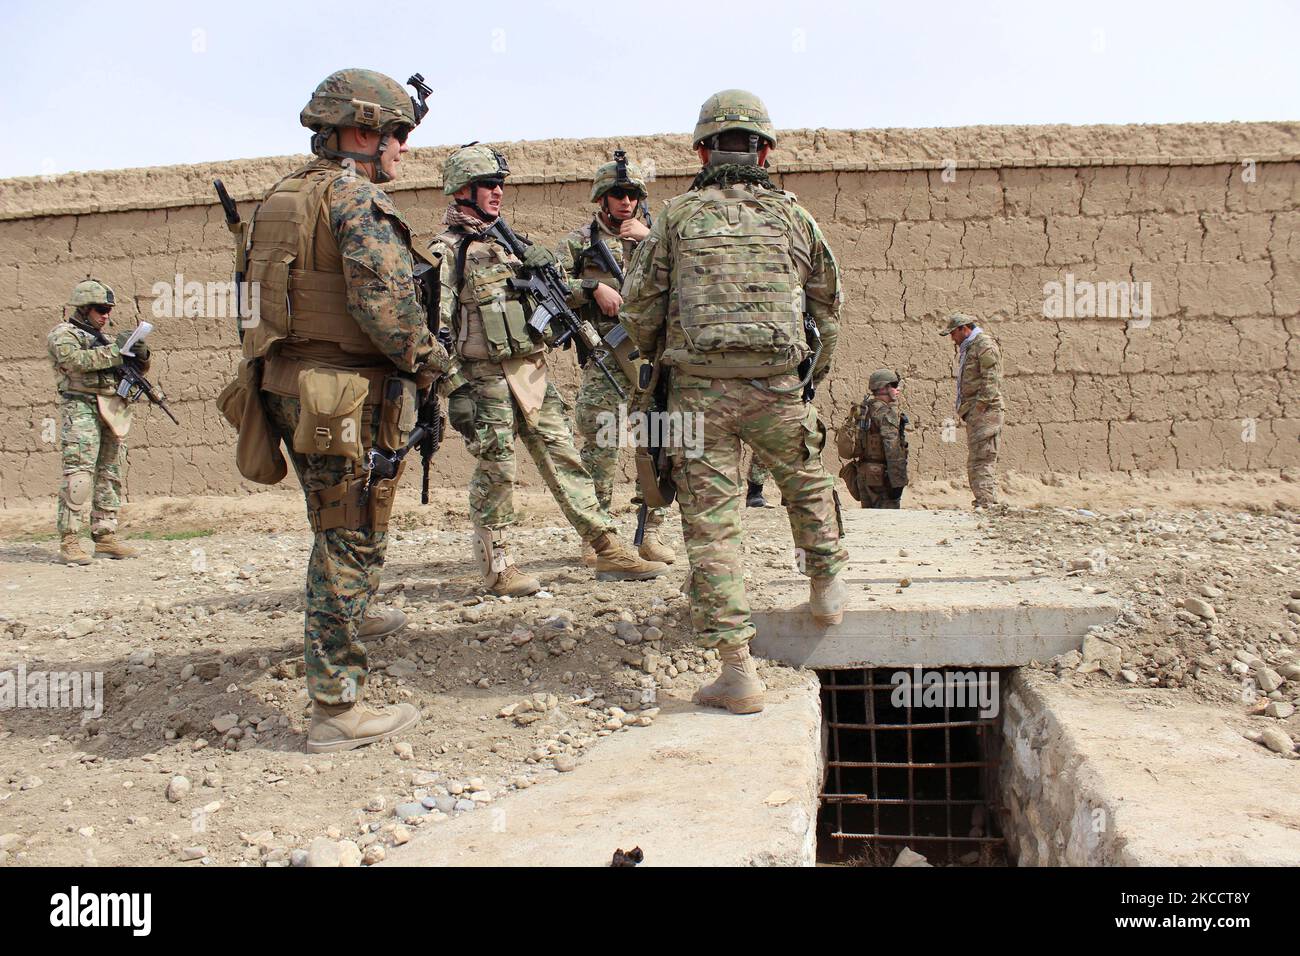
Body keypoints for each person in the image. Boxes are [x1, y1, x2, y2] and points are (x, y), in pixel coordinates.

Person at [235, 69, 456, 752]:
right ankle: (336, 707)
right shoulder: (354, 200)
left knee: (331, 525)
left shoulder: (281, 196)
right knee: (351, 535)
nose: (403, 150)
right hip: (340, 395)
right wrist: (435, 364)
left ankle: (349, 613)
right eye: (397, 135)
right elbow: (385, 310)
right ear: (361, 131)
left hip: (284, 384)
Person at [622, 89, 849, 715]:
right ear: (765, 151)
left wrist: (658, 352)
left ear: (701, 151)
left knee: (712, 525)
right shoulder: (796, 219)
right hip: (778, 386)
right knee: (806, 481)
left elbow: (640, 308)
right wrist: (807, 377)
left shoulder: (675, 218)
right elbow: (829, 308)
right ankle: (826, 588)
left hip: (699, 394)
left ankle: (737, 672)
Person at [429, 144, 668, 596]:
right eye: (489, 185)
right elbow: (435, 328)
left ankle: (605, 545)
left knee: (565, 458)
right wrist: (453, 384)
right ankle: (499, 568)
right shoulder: (449, 252)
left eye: (501, 185)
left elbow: (546, 296)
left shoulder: (507, 244)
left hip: (529, 371)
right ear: (463, 191)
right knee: (497, 470)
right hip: (483, 378)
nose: (498, 192)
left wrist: (564, 281)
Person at [555, 155, 674, 566]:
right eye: (617, 195)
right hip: (608, 357)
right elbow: (548, 286)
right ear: (601, 199)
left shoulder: (660, 235)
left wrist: (652, 239)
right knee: (601, 446)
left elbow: (690, 276)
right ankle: (597, 536)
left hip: (654, 357)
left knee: (658, 442)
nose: (626, 201)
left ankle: (651, 532)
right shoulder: (579, 243)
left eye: (633, 194)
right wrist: (591, 288)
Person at [47, 279, 145, 565]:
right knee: (79, 474)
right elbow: (75, 360)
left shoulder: (103, 338)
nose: (106, 316)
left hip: (111, 406)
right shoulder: (63, 334)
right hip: (80, 405)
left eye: (109, 310)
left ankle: (105, 537)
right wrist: (117, 352)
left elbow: (119, 366)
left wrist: (140, 358)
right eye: (101, 310)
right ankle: (70, 541)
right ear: (85, 308)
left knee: (110, 473)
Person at [941, 312, 1004, 508]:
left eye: (953, 333)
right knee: (978, 457)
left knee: (982, 458)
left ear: (964, 328)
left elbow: (991, 380)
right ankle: (985, 501)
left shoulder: (984, 345)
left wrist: (979, 407)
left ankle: (987, 504)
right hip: (977, 412)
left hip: (985, 412)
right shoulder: (971, 347)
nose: (952, 338)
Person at [837, 368, 909, 508]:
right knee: (888, 522)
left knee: (870, 519)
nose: (897, 389)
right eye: (894, 385)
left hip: (863, 476)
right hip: (881, 479)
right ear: (884, 388)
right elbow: (893, 449)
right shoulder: (886, 413)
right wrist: (898, 483)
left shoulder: (863, 410)